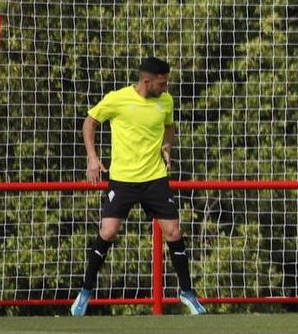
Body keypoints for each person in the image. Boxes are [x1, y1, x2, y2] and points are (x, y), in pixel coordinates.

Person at [73, 56, 204, 316]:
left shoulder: (165, 101)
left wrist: (168, 145)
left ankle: (188, 294)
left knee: (174, 232)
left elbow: (169, 126)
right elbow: (90, 122)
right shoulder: (117, 99)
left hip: (155, 178)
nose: (166, 88)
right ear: (147, 81)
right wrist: (92, 158)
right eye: (162, 83)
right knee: (108, 232)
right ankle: (84, 294)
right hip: (123, 179)